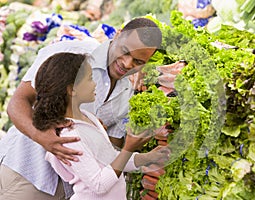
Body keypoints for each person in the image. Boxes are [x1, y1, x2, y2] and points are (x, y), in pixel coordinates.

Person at [0, 18, 163, 199]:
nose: (127, 63)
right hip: (29, 171)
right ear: (118, 34)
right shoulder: (72, 54)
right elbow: (18, 101)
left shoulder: (129, 89)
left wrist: (142, 155)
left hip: (75, 187)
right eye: (125, 52)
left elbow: (109, 150)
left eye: (138, 61)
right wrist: (41, 136)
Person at [32, 52, 169, 199]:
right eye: (90, 79)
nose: (95, 83)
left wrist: (146, 158)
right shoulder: (70, 137)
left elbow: (110, 160)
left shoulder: (88, 118)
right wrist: (128, 148)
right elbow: (99, 184)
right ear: (71, 89)